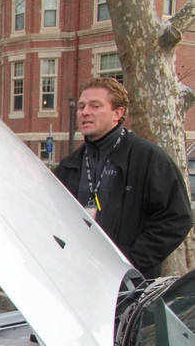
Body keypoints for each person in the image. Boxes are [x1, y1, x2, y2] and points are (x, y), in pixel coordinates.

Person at [56, 77, 192, 278]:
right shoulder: (69, 165)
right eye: (81, 106)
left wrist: (129, 263)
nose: (85, 112)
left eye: (95, 106)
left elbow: (176, 218)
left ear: (117, 113)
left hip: (130, 288)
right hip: (79, 280)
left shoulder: (149, 159)